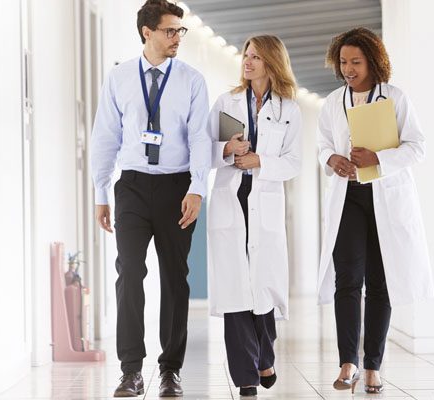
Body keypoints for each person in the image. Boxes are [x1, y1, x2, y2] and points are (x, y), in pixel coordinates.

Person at [90, 0, 211, 397]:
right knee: (129, 275)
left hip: (176, 187)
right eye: (170, 30)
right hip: (132, 188)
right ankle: (130, 370)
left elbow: (199, 138)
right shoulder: (121, 78)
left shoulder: (192, 80)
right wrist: (101, 191)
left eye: (181, 31)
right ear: (147, 32)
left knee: (176, 279)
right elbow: (105, 135)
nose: (177, 37)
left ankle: (170, 370)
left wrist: (197, 189)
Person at [316, 27, 434, 394]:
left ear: (373, 61)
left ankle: (373, 367)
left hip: (384, 196)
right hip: (348, 197)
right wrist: (331, 158)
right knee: (347, 280)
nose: (348, 69)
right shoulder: (334, 101)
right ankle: (347, 362)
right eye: (343, 62)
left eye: (355, 61)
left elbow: (417, 147)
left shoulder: (395, 98)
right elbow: (322, 144)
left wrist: (378, 159)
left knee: (380, 282)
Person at [206, 35, 301, 398]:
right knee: (236, 292)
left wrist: (261, 160)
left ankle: (264, 356)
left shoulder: (288, 108)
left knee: (261, 288)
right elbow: (206, 152)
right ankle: (246, 376)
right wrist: (228, 150)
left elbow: (293, 163)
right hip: (232, 199)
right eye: (246, 55)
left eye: (256, 57)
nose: (248, 62)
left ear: (272, 63)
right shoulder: (226, 102)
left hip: (264, 201)